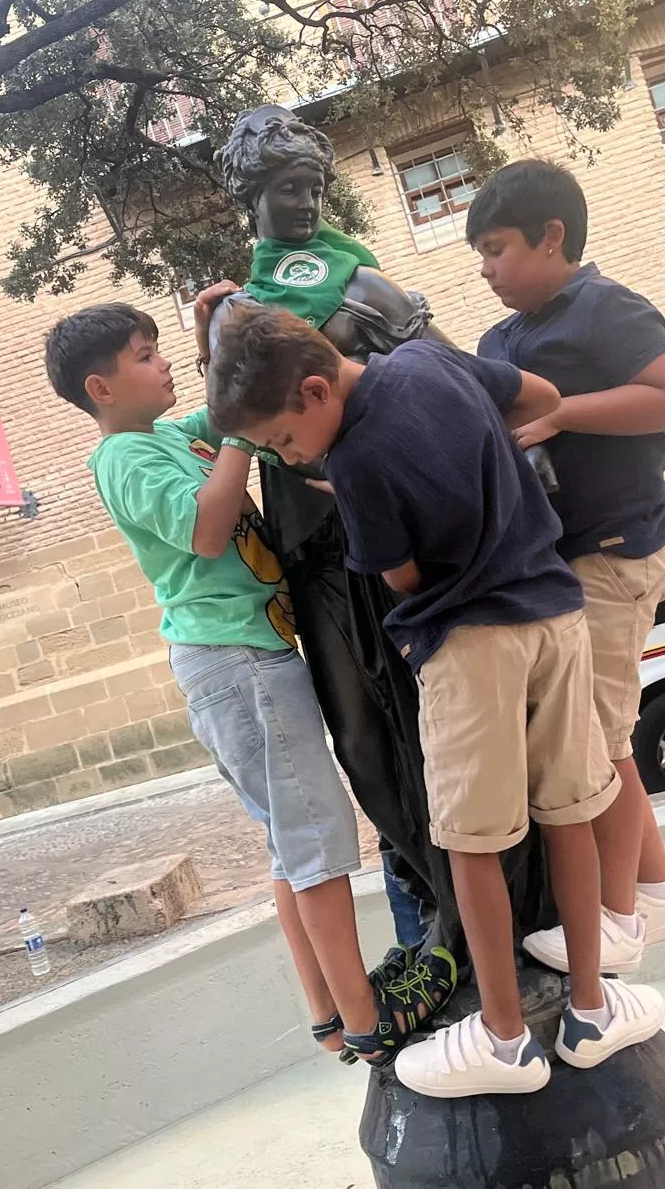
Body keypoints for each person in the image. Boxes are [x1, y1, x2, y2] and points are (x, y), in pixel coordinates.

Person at [207, 306, 665, 1097]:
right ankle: (591, 1008)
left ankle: (504, 1039)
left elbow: (402, 576)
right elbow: (539, 395)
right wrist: (472, 457)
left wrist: (368, 487)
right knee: (569, 811)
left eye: (282, 440)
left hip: (470, 641)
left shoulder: (355, 463)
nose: (288, 457)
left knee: (471, 840)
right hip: (554, 613)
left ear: (315, 391)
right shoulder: (432, 362)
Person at [45, 303, 456, 1066]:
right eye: (145, 355)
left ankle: (328, 1014)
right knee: (317, 838)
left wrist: (220, 340)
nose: (163, 362)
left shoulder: (170, 434)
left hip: (248, 654)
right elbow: (207, 528)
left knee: (289, 844)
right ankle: (369, 1022)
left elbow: (233, 402)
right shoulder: (123, 459)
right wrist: (237, 434)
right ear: (100, 387)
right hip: (237, 661)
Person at [196, 105, 555, 968]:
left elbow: (459, 383)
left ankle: (499, 922)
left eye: (313, 186)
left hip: (390, 538)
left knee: (434, 727)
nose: (305, 204)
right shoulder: (231, 314)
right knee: (360, 742)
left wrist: (520, 477)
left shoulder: (362, 286)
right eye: (288, 189)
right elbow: (232, 426)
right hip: (310, 552)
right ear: (250, 197)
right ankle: (443, 907)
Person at [466, 160, 665, 974]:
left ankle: (619, 924)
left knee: (598, 744)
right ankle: (661, 894)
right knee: (603, 736)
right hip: (562, 564)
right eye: (480, 255)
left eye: (497, 248)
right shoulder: (500, 342)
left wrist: (562, 414)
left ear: (552, 236)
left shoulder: (608, 307)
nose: (487, 269)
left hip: (616, 551)